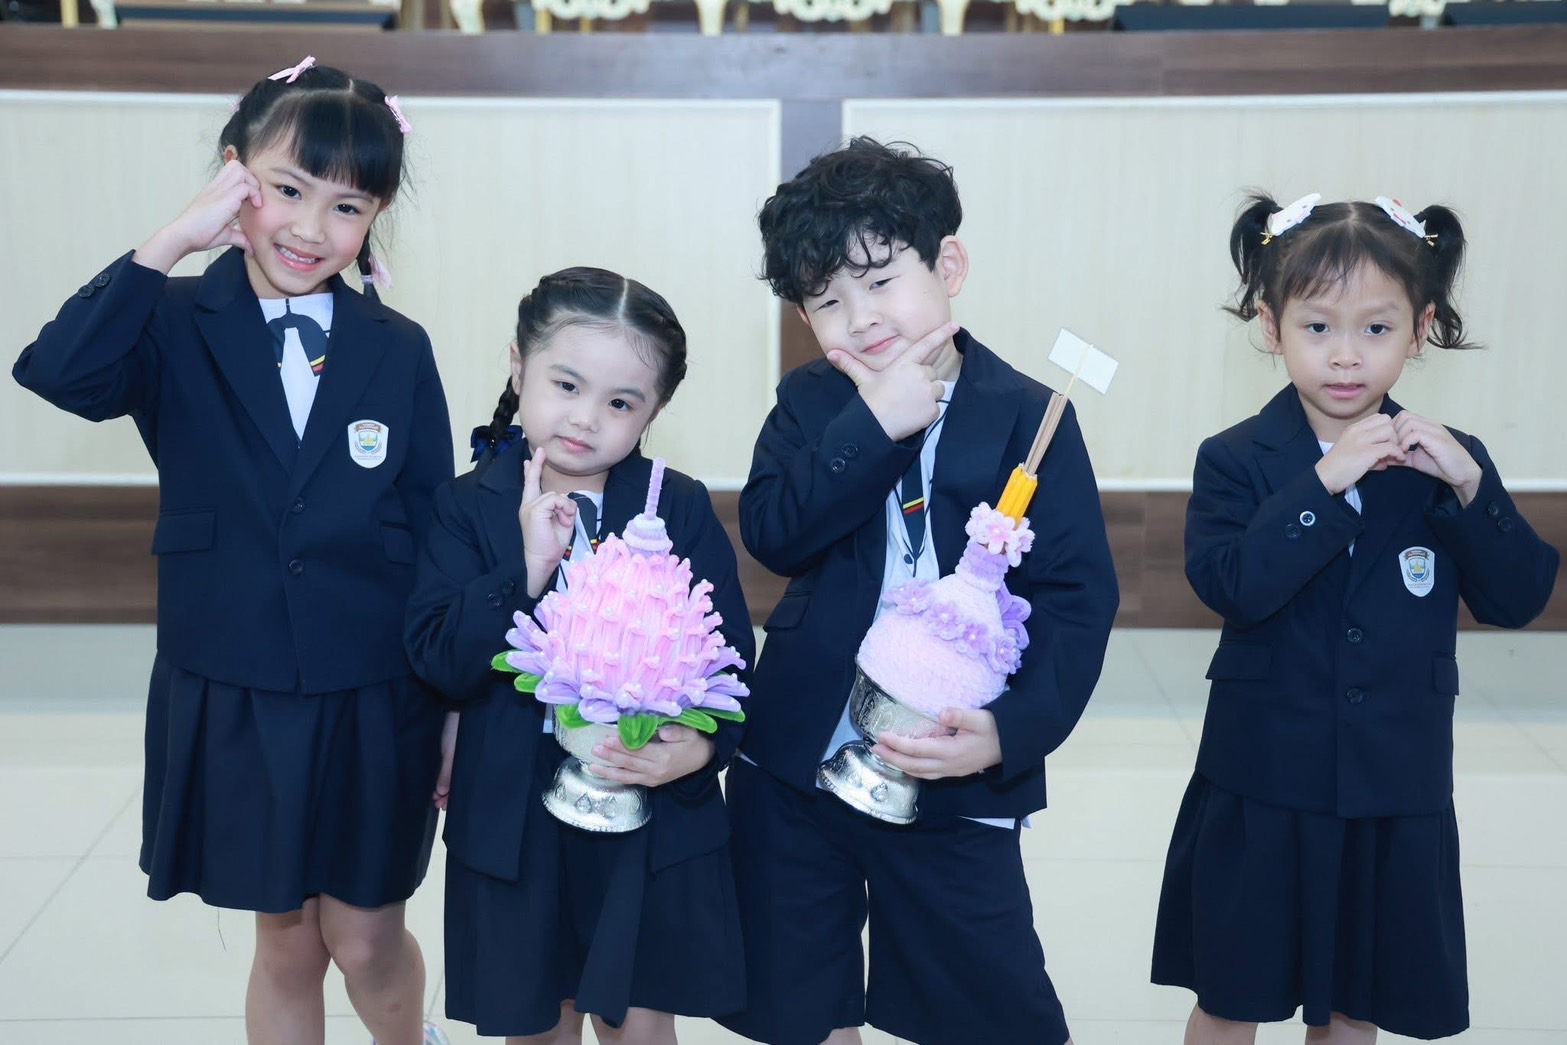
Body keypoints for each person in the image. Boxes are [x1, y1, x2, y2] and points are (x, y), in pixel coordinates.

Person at [12, 56, 454, 1045]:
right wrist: (171, 240)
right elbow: (59, 370)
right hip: (237, 679)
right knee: (286, 942)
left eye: (347, 207)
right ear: (234, 175)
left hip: (376, 685)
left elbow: (434, 524)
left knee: (366, 936)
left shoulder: (397, 345)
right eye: (286, 190)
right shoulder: (171, 319)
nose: (310, 228)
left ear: (375, 217)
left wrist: (456, 701)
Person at [722, 136, 1119, 1045]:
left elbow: (1075, 598)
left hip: (952, 761)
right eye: (826, 299)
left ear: (948, 266)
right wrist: (871, 424)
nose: (859, 317)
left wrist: (1005, 733)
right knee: (798, 1002)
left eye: (879, 279)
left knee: (986, 1002)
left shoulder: (1029, 414)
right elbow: (774, 532)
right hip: (799, 762)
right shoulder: (810, 403)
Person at [1151, 192, 1560, 1043]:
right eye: (1317, 327)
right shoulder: (1235, 457)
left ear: (1420, 329)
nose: (1345, 355)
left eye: (1376, 328)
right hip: (1262, 776)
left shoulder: (1445, 459)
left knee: (1353, 1002)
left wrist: (1469, 487)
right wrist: (1322, 483)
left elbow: (1517, 597)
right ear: (1271, 326)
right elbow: (1231, 585)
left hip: (1390, 783)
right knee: (1230, 993)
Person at [405, 266, 751, 1044]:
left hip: (645, 811)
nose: (585, 418)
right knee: (537, 1021)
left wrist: (700, 750)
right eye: (566, 384)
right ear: (518, 366)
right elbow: (439, 659)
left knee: (638, 1019)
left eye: (621, 402)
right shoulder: (465, 506)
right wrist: (525, 570)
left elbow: (730, 658)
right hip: (512, 820)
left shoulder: (676, 504)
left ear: (654, 411)